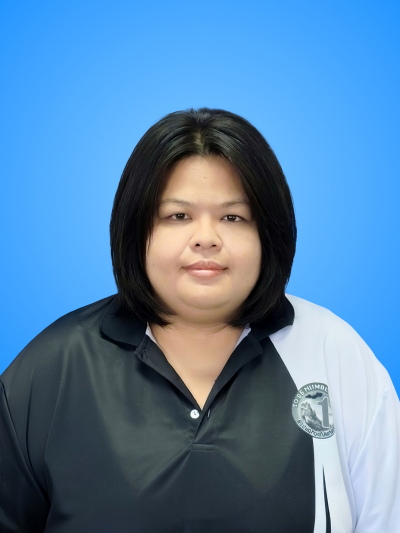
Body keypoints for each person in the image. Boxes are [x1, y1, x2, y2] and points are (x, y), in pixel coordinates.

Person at [0, 108, 399, 532]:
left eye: (233, 217)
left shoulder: (333, 351)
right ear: (136, 230)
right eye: (178, 216)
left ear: (269, 234)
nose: (206, 238)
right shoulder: (53, 367)